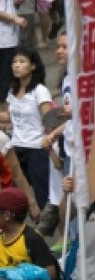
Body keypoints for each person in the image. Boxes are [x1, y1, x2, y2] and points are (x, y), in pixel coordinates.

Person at [0, 48, 51, 213]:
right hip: (16, 146)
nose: (16, 66)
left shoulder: (40, 91)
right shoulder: (12, 91)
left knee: (44, 196)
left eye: (22, 62)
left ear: (33, 65)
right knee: (14, 197)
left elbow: (49, 119)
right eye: (14, 62)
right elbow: (10, 117)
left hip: (37, 149)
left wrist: (50, 142)